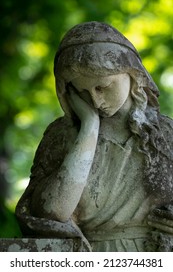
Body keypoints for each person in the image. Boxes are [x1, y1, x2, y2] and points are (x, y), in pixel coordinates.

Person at [15, 21, 173, 252]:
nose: (96, 101)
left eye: (103, 87)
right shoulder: (62, 135)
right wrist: (89, 127)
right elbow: (52, 213)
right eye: (82, 91)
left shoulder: (167, 134)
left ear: (133, 76)